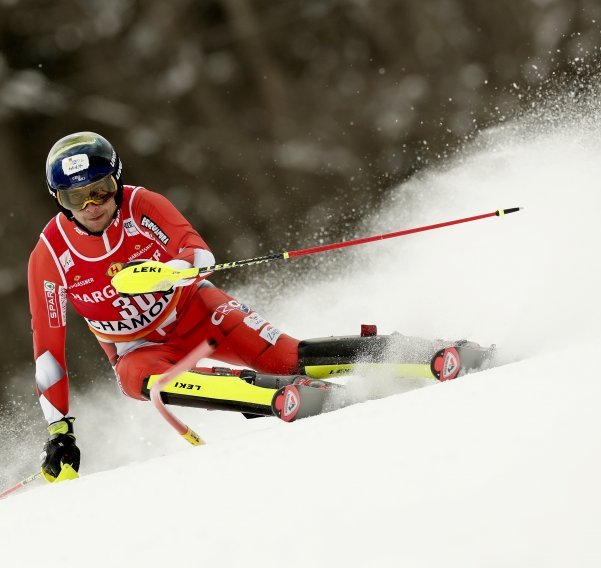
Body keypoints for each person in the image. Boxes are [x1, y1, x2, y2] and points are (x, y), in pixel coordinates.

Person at [28, 131, 489, 483]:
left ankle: (427, 354)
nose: (92, 205)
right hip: (138, 347)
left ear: (117, 181)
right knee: (140, 382)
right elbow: (49, 352)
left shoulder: (141, 206)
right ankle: (280, 396)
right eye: (75, 197)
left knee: (287, 356)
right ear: (60, 201)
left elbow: (198, 252)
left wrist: (170, 270)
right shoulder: (50, 256)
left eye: (102, 189)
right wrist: (60, 433)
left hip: (196, 312)